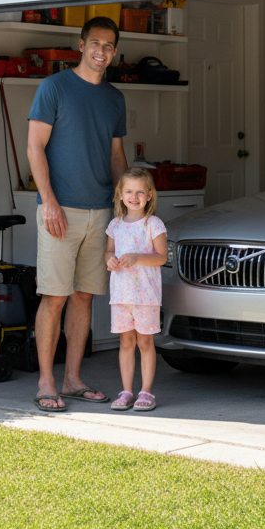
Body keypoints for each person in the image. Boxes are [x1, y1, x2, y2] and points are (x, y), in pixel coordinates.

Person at [26, 16, 127, 411]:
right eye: (95, 43)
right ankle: (46, 381)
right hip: (60, 210)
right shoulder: (54, 87)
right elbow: (35, 147)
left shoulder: (115, 98)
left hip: (101, 211)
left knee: (84, 297)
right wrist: (48, 200)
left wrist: (123, 210)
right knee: (54, 297)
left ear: (114, 52)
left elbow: (117, 155)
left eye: (109, 46)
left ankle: (72, 379)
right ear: (81, 44)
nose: (101, 51)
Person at [105, 168, 167, 411]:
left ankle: (146, 392)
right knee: (126, 342)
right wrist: (109, 260)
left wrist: (138, 257)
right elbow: (109, 251)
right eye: (129, 191)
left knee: (145, 343)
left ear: (149, 195)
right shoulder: (115, 225)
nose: (134, 196)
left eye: (140, 191)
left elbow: (161, 257)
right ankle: (127, 391)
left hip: (145, 296)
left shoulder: (153, 224)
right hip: (121, 296)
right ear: (120, 194)